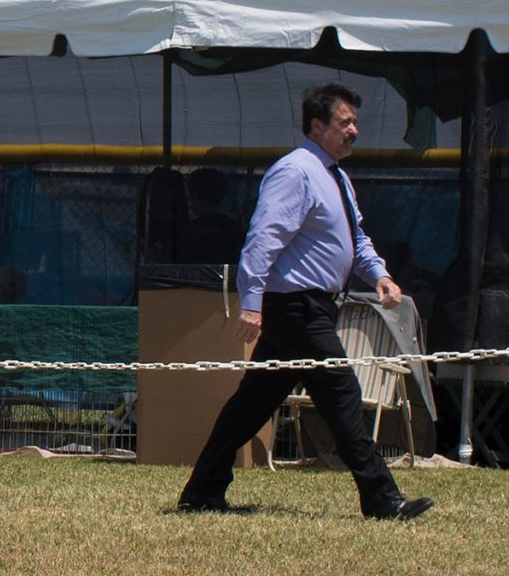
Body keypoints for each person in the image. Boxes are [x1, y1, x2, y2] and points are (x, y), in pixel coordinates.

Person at [177, 84, 432, 521]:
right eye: (344, 122)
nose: (354, 130)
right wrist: (252, 302)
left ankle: (201, 492)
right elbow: (263, 239)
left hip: (312, 307)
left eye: (355, 122)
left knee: (251, 405)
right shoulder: (295, 171)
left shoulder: (335, 175)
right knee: (343, 394)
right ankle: (382, 499)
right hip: (295, 309)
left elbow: (356, 239)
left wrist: (382, 276)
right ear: (317, 126)